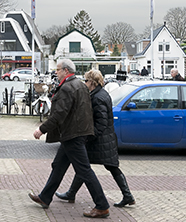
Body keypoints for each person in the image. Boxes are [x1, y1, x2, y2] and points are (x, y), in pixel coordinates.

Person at [28, 59, 110, 218]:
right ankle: (45, 197)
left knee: (84, 171)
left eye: (58, 70)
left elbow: (59, 115)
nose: (56, 73)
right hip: (75, 134)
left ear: (66, 71)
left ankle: (102, 205)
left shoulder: (67, 88)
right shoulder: (80, 85)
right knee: (58, 165)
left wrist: (41, 129)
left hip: (72, 135)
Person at [55, 70, 135, 208]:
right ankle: (72, 193)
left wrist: (90, 136)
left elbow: (101, 122)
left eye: (86, 81)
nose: (84, 83)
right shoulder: (100, 94)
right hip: (104, 138)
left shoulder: (97, 97)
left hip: (100, 140)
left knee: (89, 166)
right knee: (89, 166)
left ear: (91, 82)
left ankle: (127, 196)